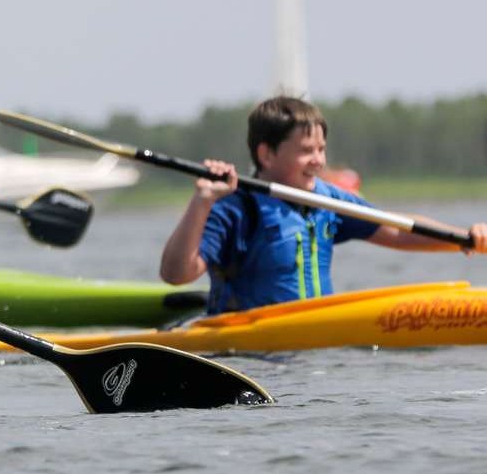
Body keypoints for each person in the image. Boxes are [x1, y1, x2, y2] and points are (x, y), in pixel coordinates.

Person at [159, 96, 487, 314]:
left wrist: (464, 239)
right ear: (266, 154)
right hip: (246, 348)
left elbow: (397, 231)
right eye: (306, 151)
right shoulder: (235, 208)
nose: (318, 161)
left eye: (321, 149)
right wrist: (202, 202)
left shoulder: (328, 199)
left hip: (312, 352)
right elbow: (176, 274)